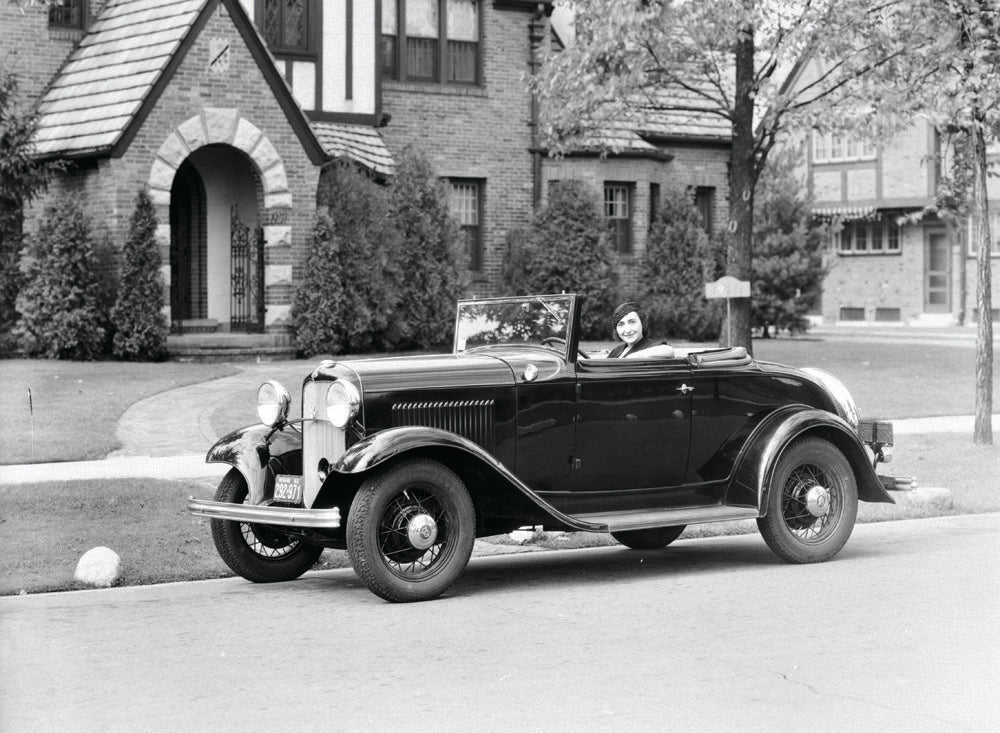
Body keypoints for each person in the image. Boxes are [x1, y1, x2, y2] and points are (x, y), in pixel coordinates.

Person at [606, 302, 675, 359]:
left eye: (632, 322)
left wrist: (630, 357)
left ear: (642, 323)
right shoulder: (617, 350)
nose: (627, 330)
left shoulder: (653, 346)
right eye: (621, 324)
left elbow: (669, 350)